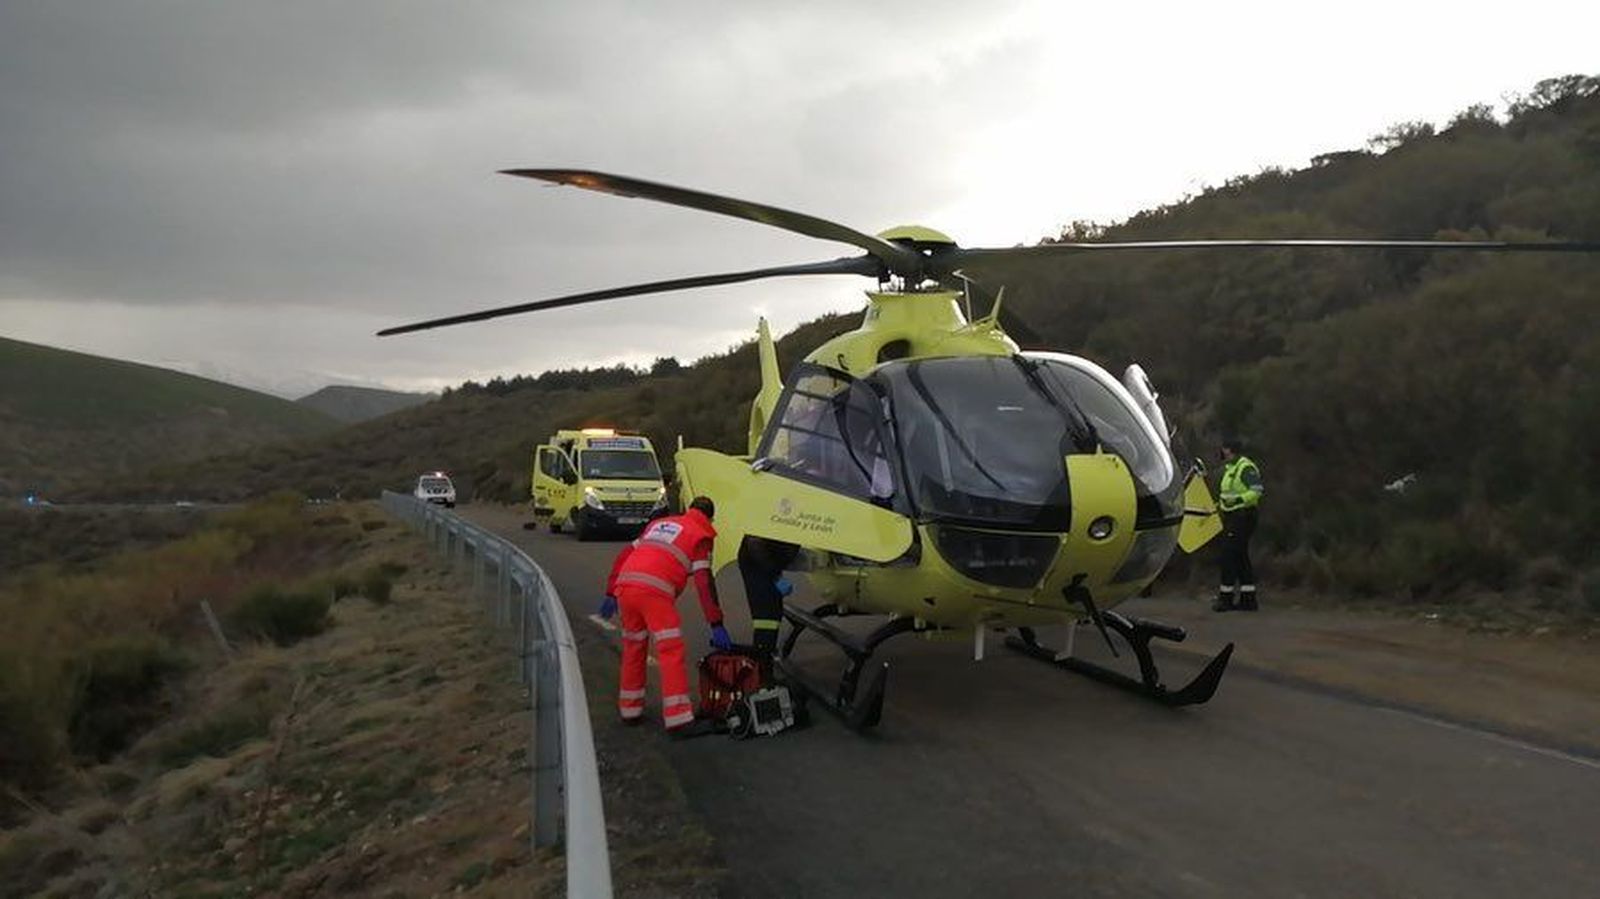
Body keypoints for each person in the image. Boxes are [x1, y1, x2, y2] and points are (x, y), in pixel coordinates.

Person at [599, 496, 732, 737]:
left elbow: (625, 554)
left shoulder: (659, 524)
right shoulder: (700, 535)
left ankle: (630, 709)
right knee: (670, 650)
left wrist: (611, 591)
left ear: (688, 509)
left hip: (626, 587)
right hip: (655, 592)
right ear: (711, 517)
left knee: (634, 647)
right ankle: (678, 718)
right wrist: (716, 622)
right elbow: (703, 582)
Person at [1214, 438, 1265, 612]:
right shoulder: (1230, 469)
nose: (1221, 452)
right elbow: (1226, 494)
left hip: (1243, 517)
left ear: (1228, 449)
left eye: (1223, 449)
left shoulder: (1245, 467)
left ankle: (1225, 599)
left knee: (1228, 555)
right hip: (1232, 517)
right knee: (1240, 556)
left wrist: (1239, 499)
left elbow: (1256, 490)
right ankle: (1248, 599)